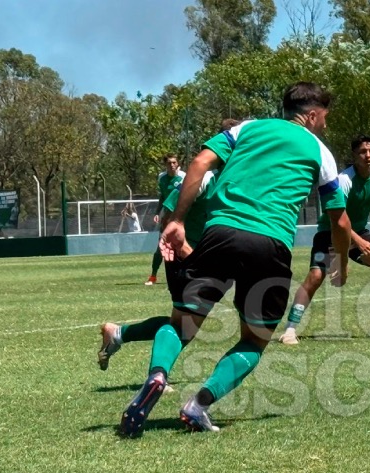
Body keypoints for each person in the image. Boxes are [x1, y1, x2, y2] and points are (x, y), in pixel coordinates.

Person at [118, 82, 351, 437]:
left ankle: (158, 375)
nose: (325, 125)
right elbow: (340, 221)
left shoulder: (248, 128)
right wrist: (341, 262)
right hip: (270, 245)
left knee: (181, 324)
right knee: (255, 340)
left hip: (220, 234)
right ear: (313, 115)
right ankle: (198, 405)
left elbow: (200, 162)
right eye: (325, 118)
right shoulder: (320, 152)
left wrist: (177, 220)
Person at [99, 120, 240, 372]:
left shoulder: (235, 181)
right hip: (183, 256)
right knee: (183, 325)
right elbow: (168, 216)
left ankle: (118, 334)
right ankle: (156, 376)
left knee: (186, 325)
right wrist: (182, 248)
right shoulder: (204, 179)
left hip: (203, 257)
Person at [278, 135, 370, 345]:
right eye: (362, 152)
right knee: (315, 276)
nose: (367, 155)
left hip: (358, 231)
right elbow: (338, 219)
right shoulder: (344, 180)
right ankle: (290, 329)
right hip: (330, 232)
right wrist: (357, 242)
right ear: (354, 155)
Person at [146, 153, 186, 285]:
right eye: (169, 163)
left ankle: (185, 274)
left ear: (178, 164)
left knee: (183, 245)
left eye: (174, 162)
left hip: (182, 216)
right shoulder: (161, 178)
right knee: (161, 246)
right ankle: (153, 276)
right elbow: (162, 196)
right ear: (165, 165)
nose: (172, 165)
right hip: (167, 217)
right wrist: (158, 212)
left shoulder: (183, 177)